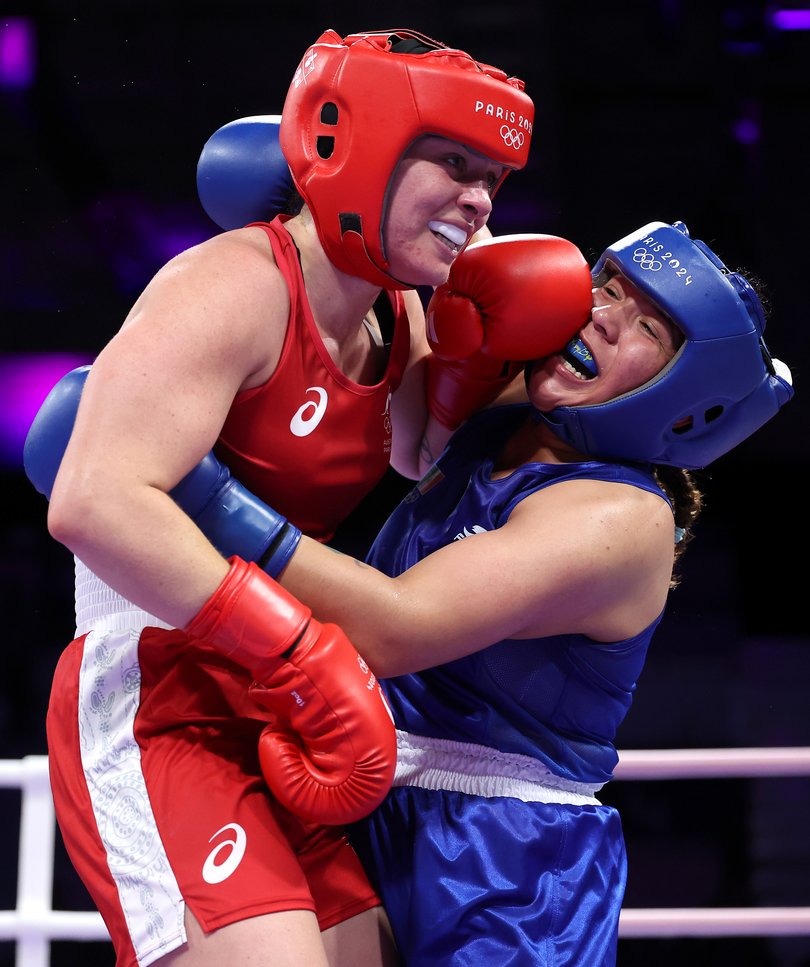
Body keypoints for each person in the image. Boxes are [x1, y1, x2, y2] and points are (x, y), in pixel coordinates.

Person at [28, 219, 794, 964]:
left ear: (688, 401)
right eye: (608, 285)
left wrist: (194, 494)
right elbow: (419, 298)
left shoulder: (624, 517)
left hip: (507, 861)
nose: (601, 315)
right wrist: (324, 205)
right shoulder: (509, 409)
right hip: (363, 791)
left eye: (647, 328)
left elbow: (396, 626)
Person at [26, 26, 575, 967]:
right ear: (354, 147)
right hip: (155, 684)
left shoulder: (399, 312)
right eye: (452, 162)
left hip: (275, 698)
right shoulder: (230, 286)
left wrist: (479, 355)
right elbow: (92, 500)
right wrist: (297, 644)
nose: (480, 199)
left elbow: (419, 455)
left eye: (492, 176)